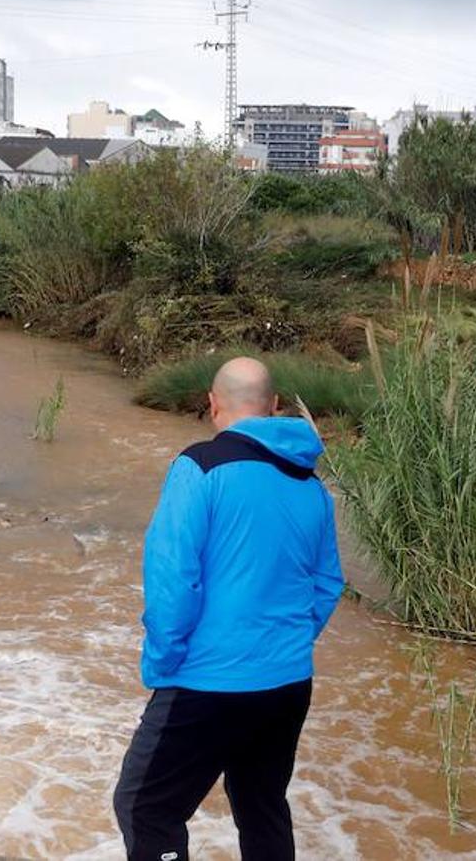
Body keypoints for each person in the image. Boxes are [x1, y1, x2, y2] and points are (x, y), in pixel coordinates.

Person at [113, 356, 345, 861]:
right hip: (286, 683)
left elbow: (173, 577)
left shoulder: (199, 467)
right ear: (274, 407)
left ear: (213, 404)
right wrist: (285, 644)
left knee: (144, 807)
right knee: (262, 808)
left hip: (208, 681)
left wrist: (163, 663)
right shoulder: (312, 487)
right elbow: (328, 583)